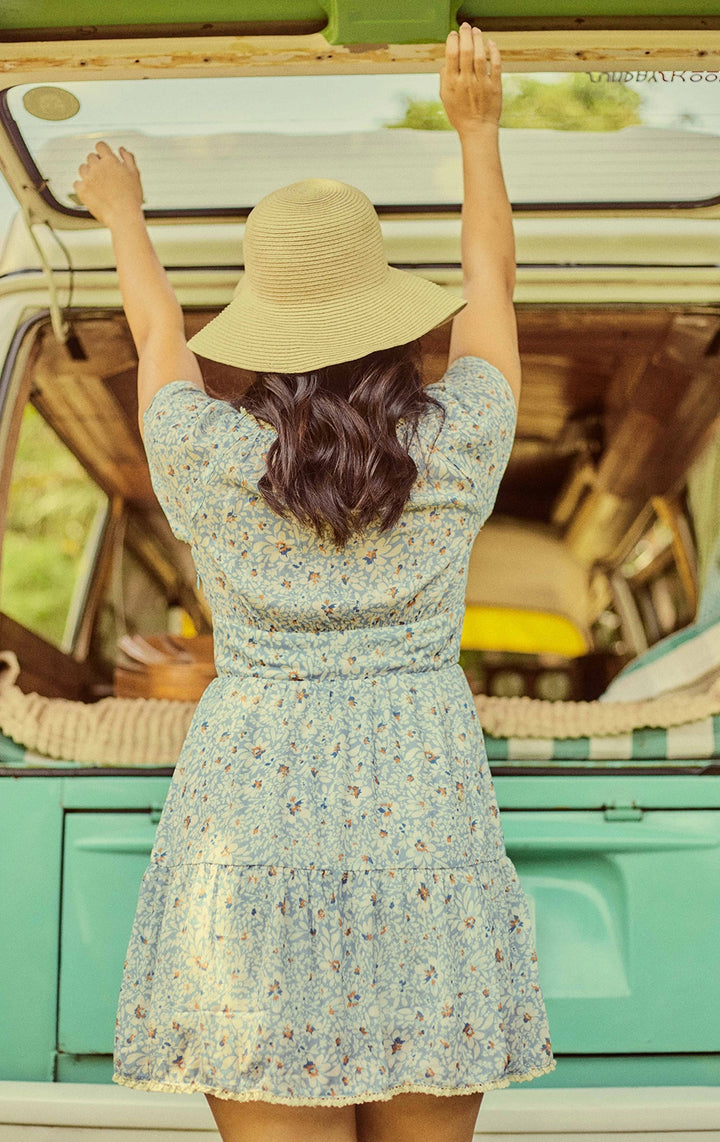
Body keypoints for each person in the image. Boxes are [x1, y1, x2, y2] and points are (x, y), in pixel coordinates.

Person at [74, 23, 554, 1142]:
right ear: (389, 319)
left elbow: (157, 327)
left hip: (250, 817)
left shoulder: (203, 455)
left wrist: (124, 217)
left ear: (267, 329)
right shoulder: (466, 438)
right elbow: (491, 277)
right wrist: (478, 131)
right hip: (422, 809)